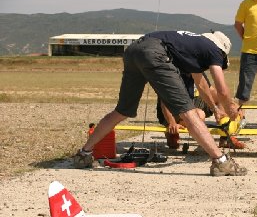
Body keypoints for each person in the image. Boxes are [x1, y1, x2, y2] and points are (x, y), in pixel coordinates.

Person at [73, 30, 247, 176]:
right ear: (223, 52)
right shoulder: (214, 50)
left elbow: (201, 84)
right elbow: (222, 89)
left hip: (134, 50)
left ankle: (84, 154)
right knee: (188, 112)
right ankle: (221, 161)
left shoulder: (192, 44)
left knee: (122, 110)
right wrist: (231, 108)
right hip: (156, 53)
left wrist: (215, 108)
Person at [157, 73, 245, 149]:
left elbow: (213, 92)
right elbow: (164, 101)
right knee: (199, 114)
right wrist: (171, 122)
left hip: (193, 103)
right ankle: (172, 133)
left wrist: (230, 105)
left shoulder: (196, 69)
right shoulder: (173, 72)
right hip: (172, 109)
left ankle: (226, 136)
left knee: (222, 101)